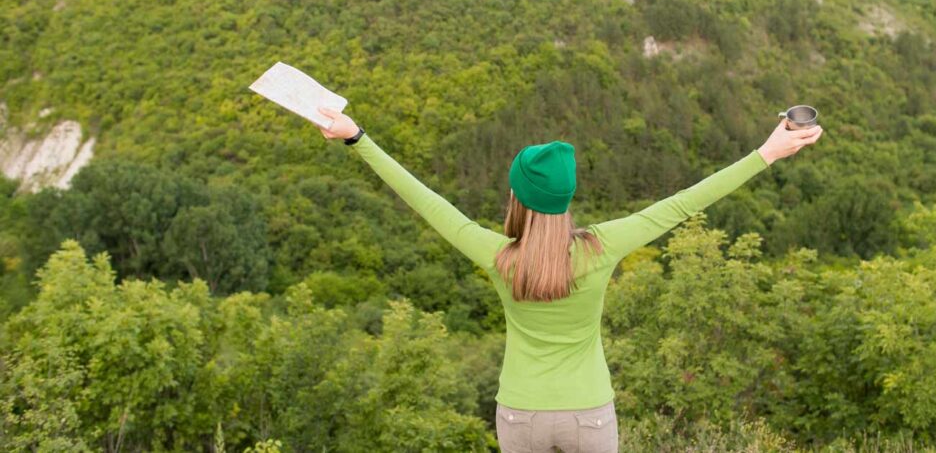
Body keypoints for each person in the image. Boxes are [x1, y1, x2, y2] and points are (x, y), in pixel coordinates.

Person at [316, 106, 823, 453]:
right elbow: (686, 201)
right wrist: (768, 153)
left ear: (516, 198)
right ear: (567, 197)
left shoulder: (498, 256)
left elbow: (425, 200)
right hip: (588, 413)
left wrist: (357, 138)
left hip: (520, 413)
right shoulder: (602, 247)